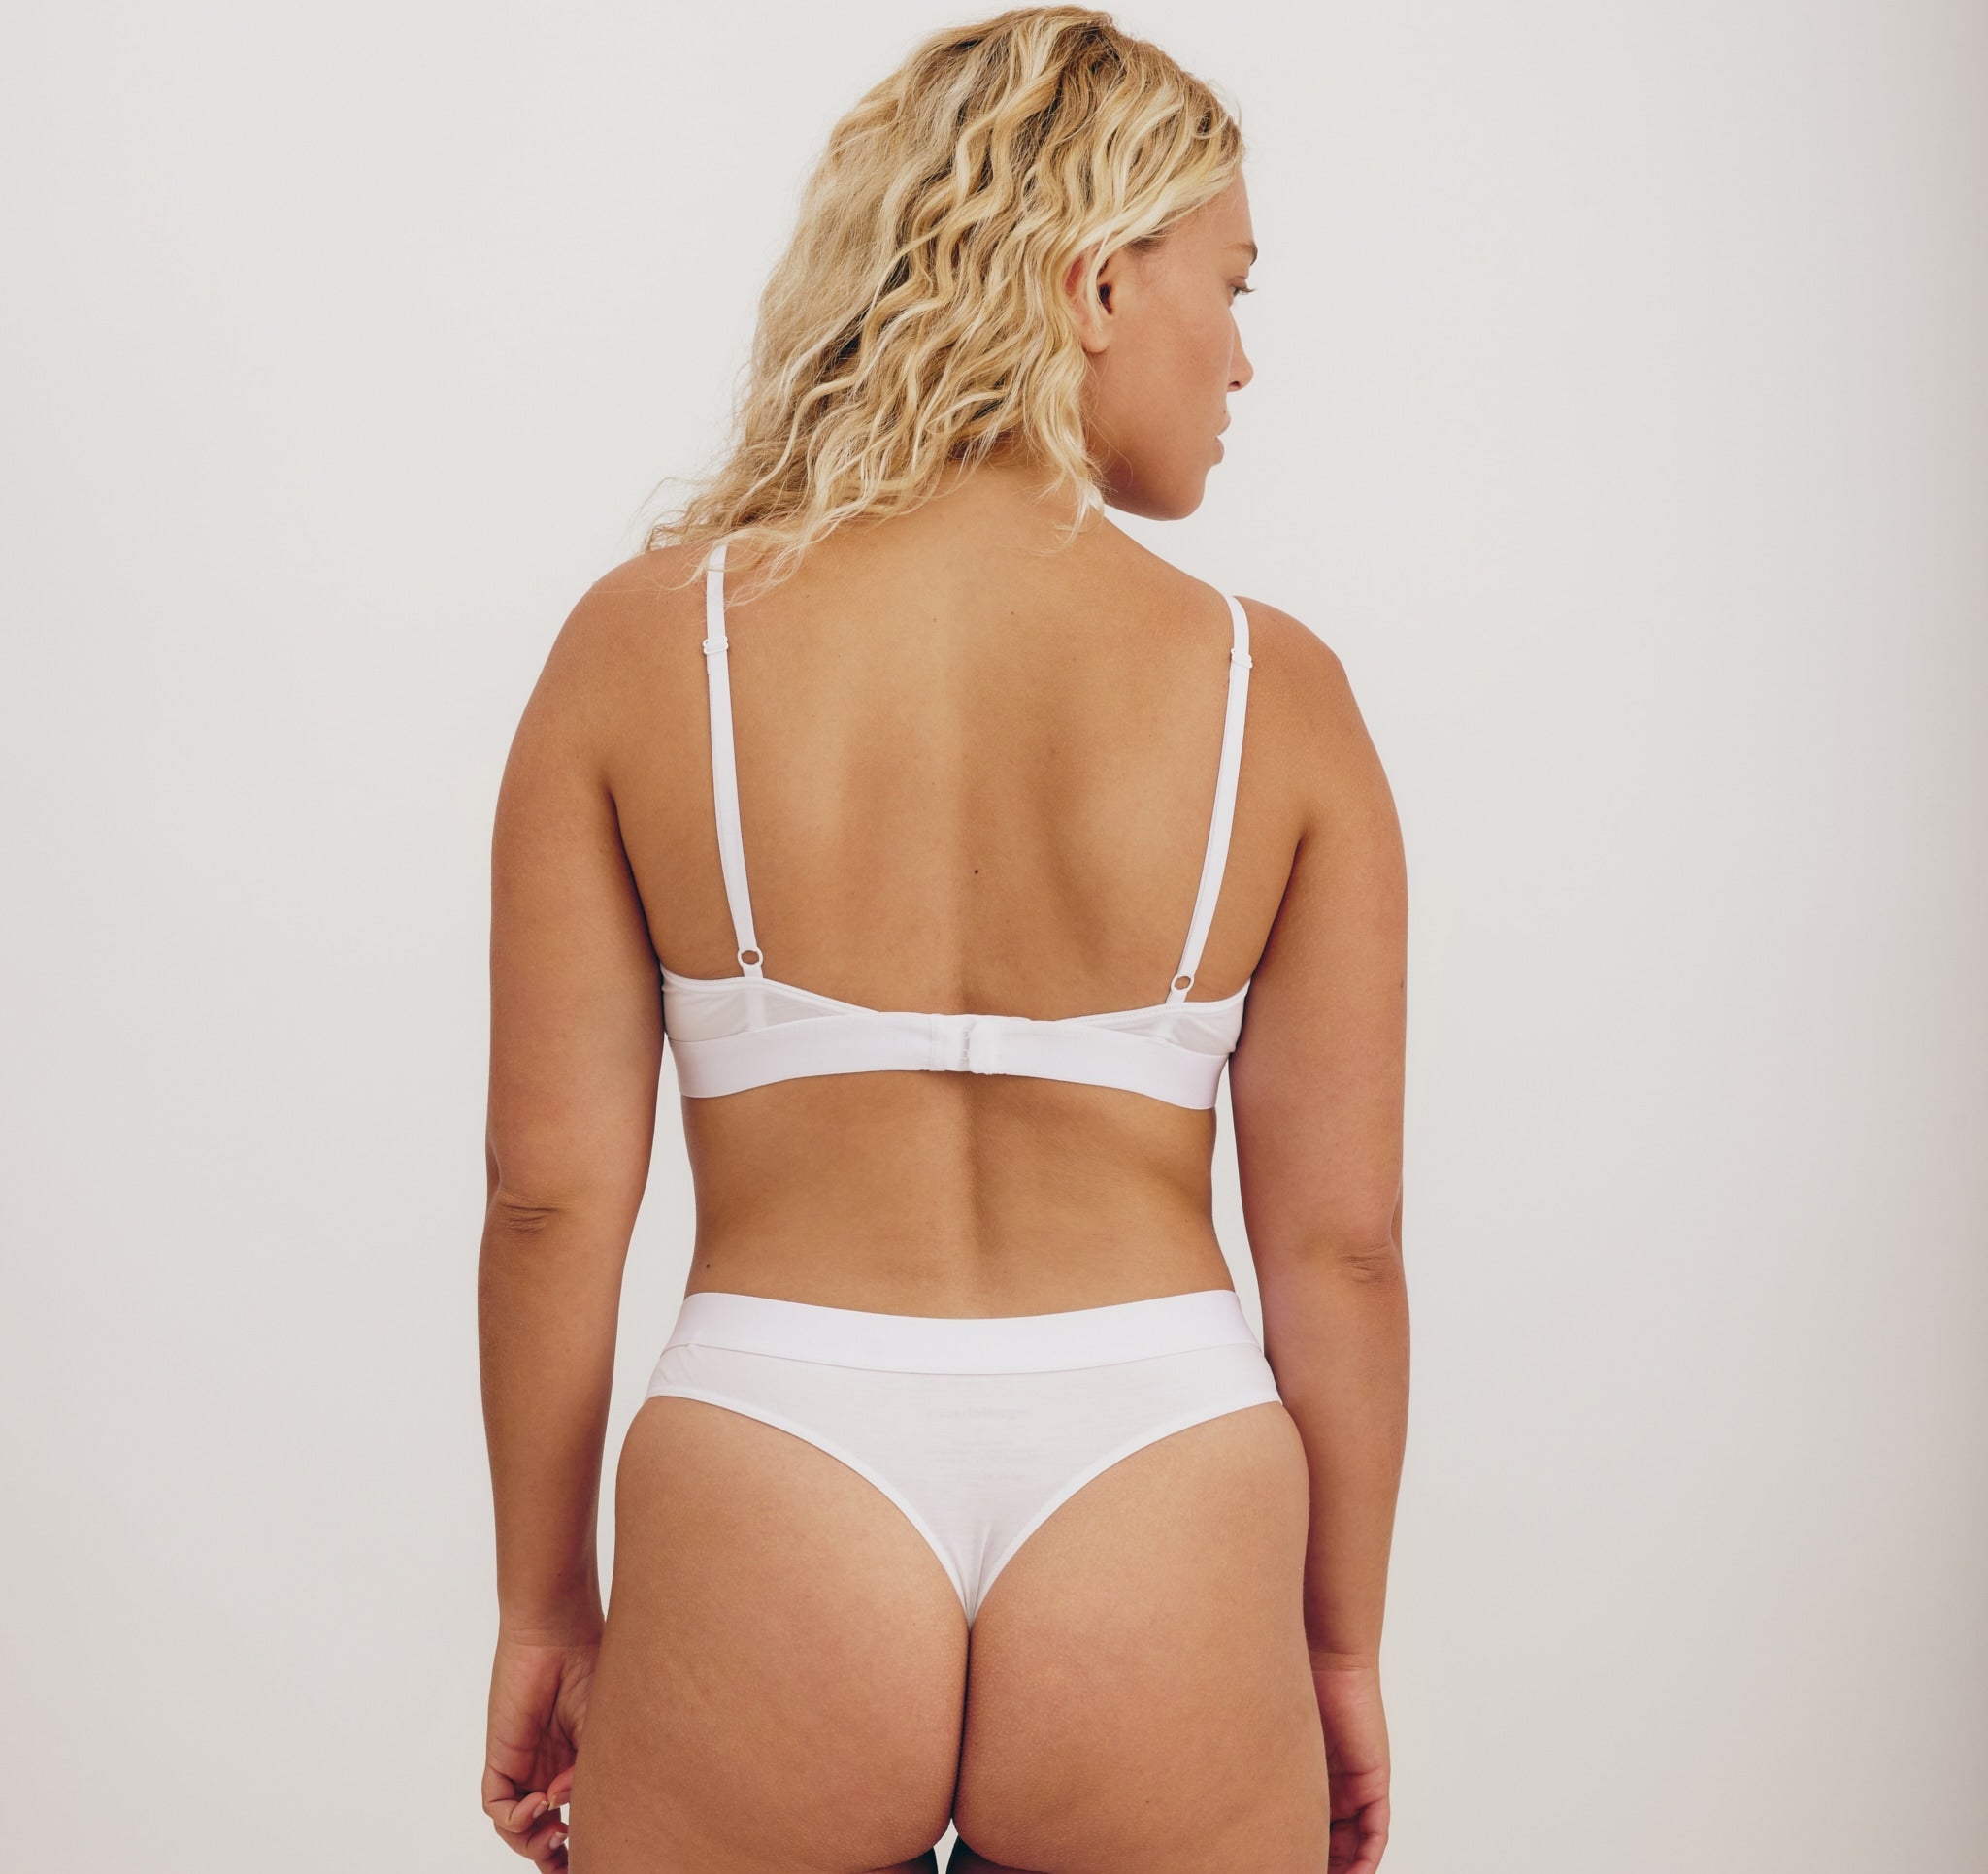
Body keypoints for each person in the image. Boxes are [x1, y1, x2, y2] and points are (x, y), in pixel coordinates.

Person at [478, 9, 1408, 1870]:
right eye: (1228, 284)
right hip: (1162, 1478)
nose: (1243, 355)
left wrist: (544, 1605)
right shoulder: (1275, 695)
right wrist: (1335, 1648)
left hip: (774, 1466)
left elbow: (550, 1206)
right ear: (1098, 281)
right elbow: (1342, 1252)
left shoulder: (650, 647)